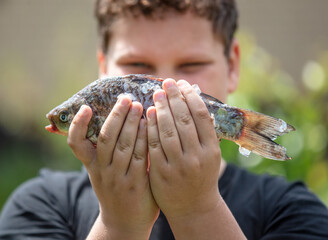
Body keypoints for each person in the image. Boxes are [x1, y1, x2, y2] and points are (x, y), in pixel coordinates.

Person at [1, 0, 328, 239]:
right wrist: (119, 225)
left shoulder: (291, 211)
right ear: (102, 69)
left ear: (232, 68)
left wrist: (198, 210)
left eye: (191, 65)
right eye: (138, 66)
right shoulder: (39, 206)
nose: (164, 89)